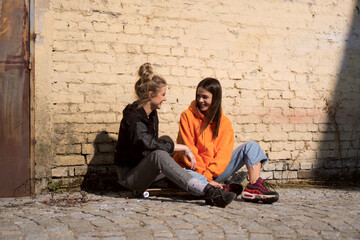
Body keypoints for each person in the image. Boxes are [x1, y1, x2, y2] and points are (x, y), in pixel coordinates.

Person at [114, 63, 237, 208]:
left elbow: (153, 146)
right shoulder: (133, 119)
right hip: (130, 177)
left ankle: (205, 183)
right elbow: (148, 144)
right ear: (150, 95)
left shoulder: (151, 113)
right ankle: (208, 190)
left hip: (146, 169)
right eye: (163, 94)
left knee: (166, 142)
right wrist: (182, 148)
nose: (165, 99)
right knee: (160, 153)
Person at [173, 78, 279, 204]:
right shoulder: (187, 116)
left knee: (252, 146)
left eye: (205, 97)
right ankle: (216, 189)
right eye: (198, 96)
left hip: (213, 173)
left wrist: (209, 174)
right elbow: (189, 151)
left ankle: (253, 188)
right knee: (185, 174)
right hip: (192, 170)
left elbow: (223, 155)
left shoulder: (224, 123)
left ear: (215, 99)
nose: (200, 100)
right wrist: (205, 177)